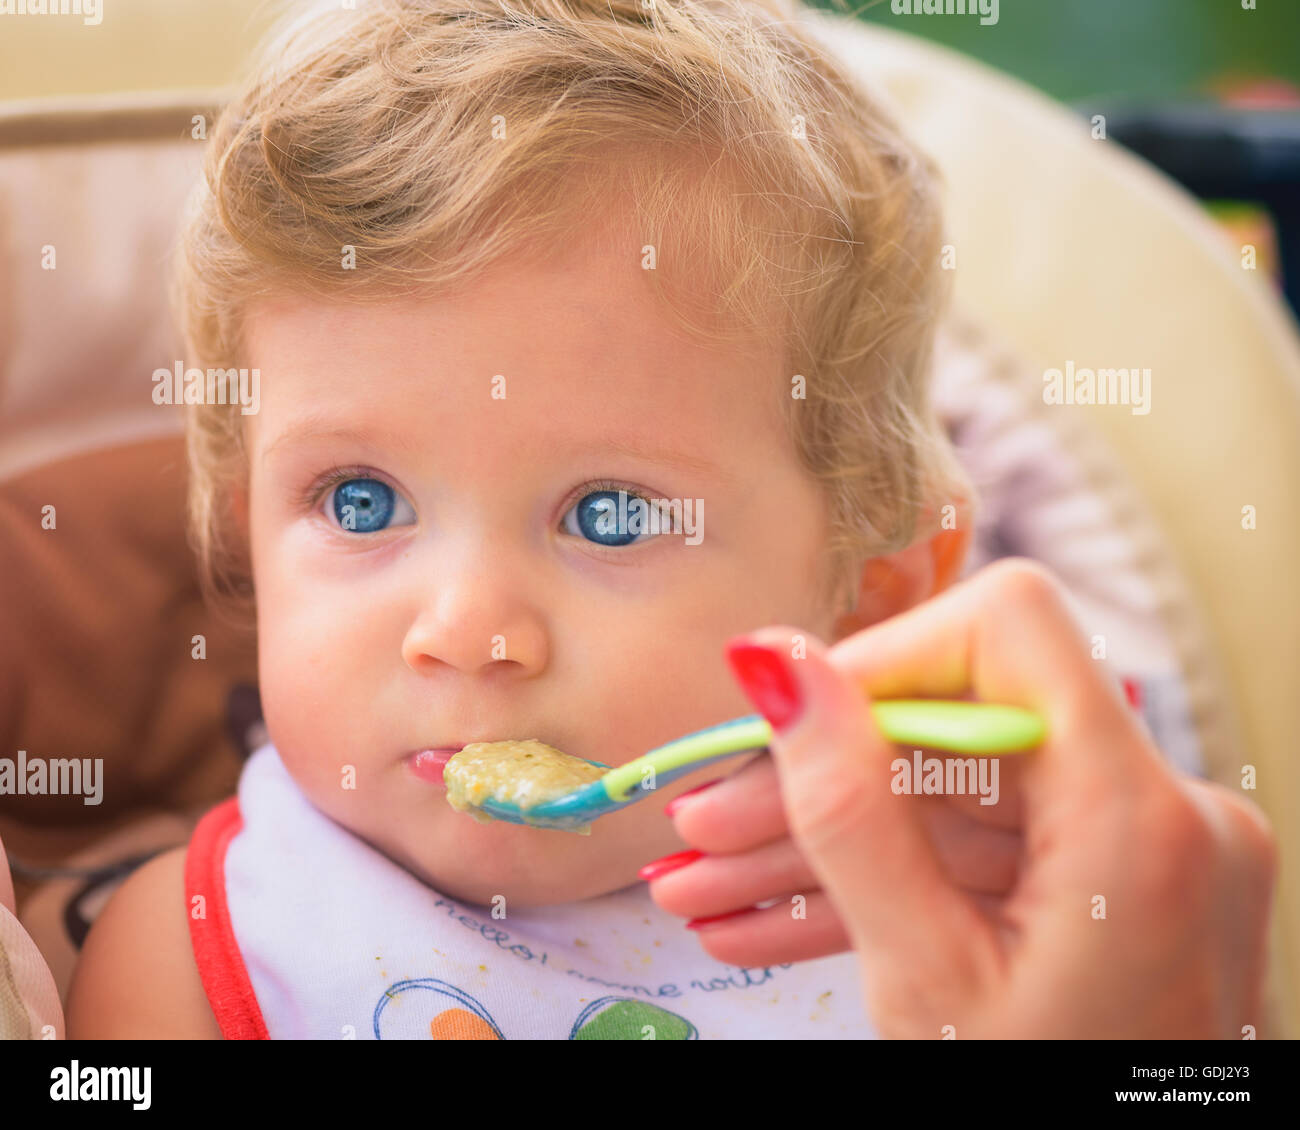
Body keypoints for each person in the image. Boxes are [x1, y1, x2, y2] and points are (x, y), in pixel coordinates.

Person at [62, 0, 1275, 1039]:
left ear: (875, 587)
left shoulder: (996, 936)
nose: (470, 630)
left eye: (610, 512)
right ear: (247, 540)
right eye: (359, 500)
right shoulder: (193, 952)